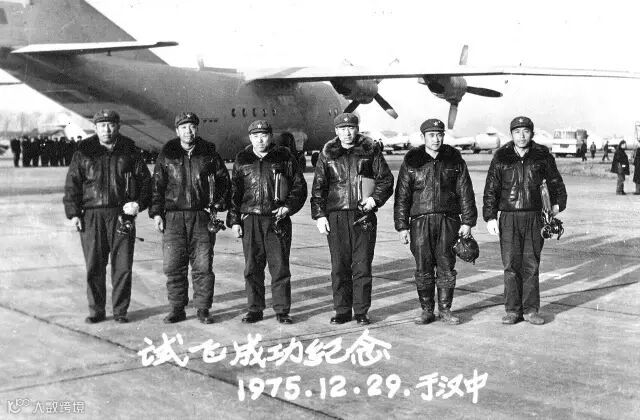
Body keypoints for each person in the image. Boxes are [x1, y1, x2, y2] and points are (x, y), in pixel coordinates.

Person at [63, 109, 151, 324]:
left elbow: (146, 182)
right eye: (102, 125)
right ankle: (96, 310)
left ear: (118, 126)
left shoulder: (130, 150)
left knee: (123, 266)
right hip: (91, 215)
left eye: (111, 125)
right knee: (94, 266)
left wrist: (138, 204)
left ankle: (120, 311)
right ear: (95, 128)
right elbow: (73, 183)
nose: (107, 129)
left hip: (122, 216)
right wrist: (73, 213)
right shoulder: (84, 151)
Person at [311, 113, 394, 325]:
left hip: (363, 215)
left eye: (351, 128)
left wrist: (374, 200)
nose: (347, 133)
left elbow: (386, 180)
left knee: (362, 266)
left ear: (357, 129)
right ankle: (342, 310)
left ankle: (361, 311)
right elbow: (319, 187)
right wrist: (319, 215)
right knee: (339, 267)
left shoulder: (370, 150)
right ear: (336, 131)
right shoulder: (327, 153)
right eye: (342, 129)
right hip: (336, 215)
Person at [483, 116, 567, 325]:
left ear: (532, 133)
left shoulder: (542, 156)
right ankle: (513, 310)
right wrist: (490, 217)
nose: (521, 136)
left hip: (534, 217)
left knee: (531, 265)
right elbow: (491, 189)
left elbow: (556, 183)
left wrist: (557, 206)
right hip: (509, 218)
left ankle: (531, 311)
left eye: (526, 131)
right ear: (511, 134)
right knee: (511, 265)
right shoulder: (501, 157)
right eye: (517, 132)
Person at [394, 118, 477, 325]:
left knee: (446, 265)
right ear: (423, 137)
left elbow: (465, 192)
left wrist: (467, 222)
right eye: (431, 135)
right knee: (423, 267)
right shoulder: (412, 162)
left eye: (439, 134)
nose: (436, 139)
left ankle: (445, 310)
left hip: (448, 221)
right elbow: (402, 196)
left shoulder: (454, 161)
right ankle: (427, 310)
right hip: (420, 222)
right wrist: (402, 226)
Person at [150, 112, 230, 324]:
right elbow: (157, 185)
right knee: (173, 265)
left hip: (201, 216)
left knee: (203, 266)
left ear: (197, 129)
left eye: (192, 126)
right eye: (184, 127)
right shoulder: (167, 154)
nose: (188, 131)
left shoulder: (209, 153)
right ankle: (177, 308)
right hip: (173, 217)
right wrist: (156, 213)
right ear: (177, 131)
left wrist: (218, 203)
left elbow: (224, 180)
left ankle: (203, 308)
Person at [227, 119, 307, 324]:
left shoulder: (284, 157)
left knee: (279, 267)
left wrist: (288, 207)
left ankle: (282, 310)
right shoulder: (242, 159)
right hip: (251, 219)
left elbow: (299, 186)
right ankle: (255, 309)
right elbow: (235, 191)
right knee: (252, 268)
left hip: (277, 220)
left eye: (264, 135)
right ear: (250, 138)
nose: (260, 140)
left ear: (271, 137)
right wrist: (235, 220)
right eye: (255, 136)